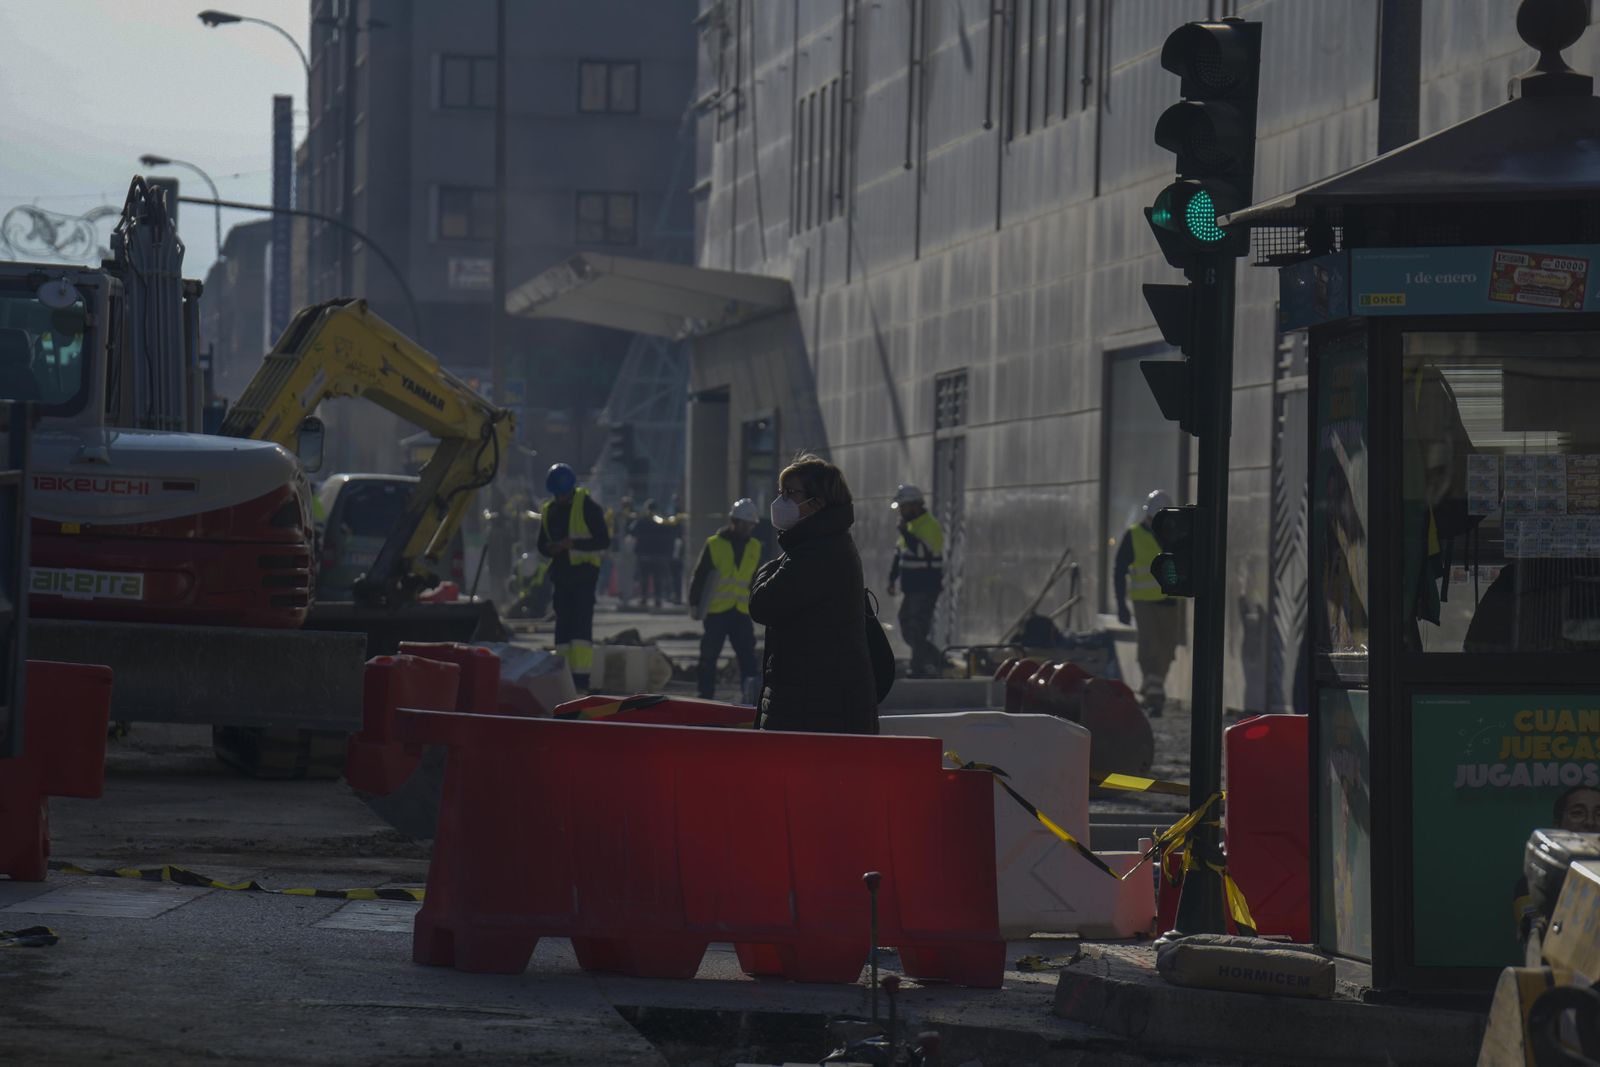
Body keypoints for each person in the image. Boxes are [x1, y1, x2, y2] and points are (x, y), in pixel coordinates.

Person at [748, 453, 878, 734]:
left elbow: (763, 605)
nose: (780, 502)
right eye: (780, 493)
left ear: (817, 503)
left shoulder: (817, 553)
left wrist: (766, 569)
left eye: (790, 494)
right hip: (815, 701)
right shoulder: (824, 545)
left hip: (815, 707)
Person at [537, 463, 611, 690]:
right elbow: (541, 544)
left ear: (570, 489)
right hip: (561, 576)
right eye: (556, 494)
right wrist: (550, 549)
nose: (559, 497)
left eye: (562, 493)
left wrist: (573, 544)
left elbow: (603, 541)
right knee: (563, 630)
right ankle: (563, 676)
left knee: (580, 629)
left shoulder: (588, 507)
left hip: (583, 577)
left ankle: (581, 679)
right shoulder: (549, 510)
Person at [1114, 489, 1184, 717]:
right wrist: (1121, 605)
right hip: (1144, 601)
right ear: (1148, 516)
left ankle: (1153, 686)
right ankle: (1154, 694)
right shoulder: (1134, 536)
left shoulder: (1175, 535)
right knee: (1149, 645)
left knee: (1167, 647)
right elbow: (1119, 570)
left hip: (1170, 599)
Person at [687, 497, 764, 701]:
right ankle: (705, 697)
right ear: (734, 521)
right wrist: (694, 603)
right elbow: (700, 575)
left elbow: (755, 579)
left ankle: (750, 698)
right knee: (709, 657)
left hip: (741, 611)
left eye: (751, 524)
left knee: (747, 658)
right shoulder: (714, 544)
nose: (748, 528)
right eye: (745, 524)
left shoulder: (755, 547)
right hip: (717, 611)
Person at [886, 483, 946, 678]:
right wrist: (892, 578)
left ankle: (920, 667)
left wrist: (905, 532)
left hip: (926, 587)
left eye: (904, 507)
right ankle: (935, 659)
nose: (902, 511)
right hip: (911, 588)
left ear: (915, 505)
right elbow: (900, 554)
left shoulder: (930, 526)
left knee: (917, 627)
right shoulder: (910, 526)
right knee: (906, 626)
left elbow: (922, 552)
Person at [631, 500, 673, 610]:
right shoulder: (660, 521)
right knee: (657, 578)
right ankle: (657, 599)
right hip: (659, 554)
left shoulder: (642, 520)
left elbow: (632, 530)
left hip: (644, 553)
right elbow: (669, 532)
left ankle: (644, 598)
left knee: (644, 578)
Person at [613, 495, 639, 608]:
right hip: (622, 548)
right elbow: (615, 532)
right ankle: (623, 593)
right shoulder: (619, 516)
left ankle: (627, 594)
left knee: (628, 572)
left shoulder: (633, 516)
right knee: (622, 573)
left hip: (630, 548)